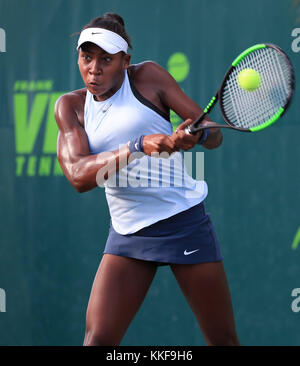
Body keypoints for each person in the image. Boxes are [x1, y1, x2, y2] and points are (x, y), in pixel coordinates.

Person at [54, 12, 240, 346]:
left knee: (223, 340)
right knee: (97, 340)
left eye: (106, 60)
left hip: (184, 221)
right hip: (128, 232)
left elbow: (213, 134)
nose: (93, 69)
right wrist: (138, 146)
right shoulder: (71, 107)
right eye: (86, 57)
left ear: (125, 61)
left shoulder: (149, 77)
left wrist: (195, 136)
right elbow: (79, 176)